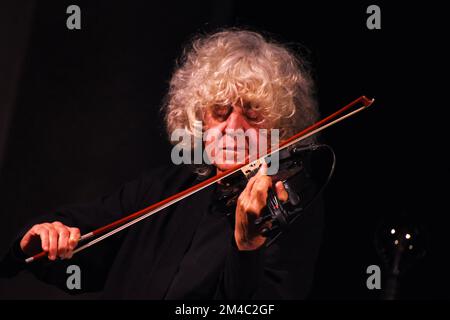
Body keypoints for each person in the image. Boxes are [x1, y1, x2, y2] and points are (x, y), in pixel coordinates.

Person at [0, 29, 324, 299]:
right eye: (220, 111)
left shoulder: (287, 206)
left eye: (252, 113)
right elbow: (86, 255)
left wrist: (247, 247)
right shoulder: (162, 188)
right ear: (200, 119)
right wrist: (44, 235)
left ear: (280, 128)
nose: (233, 127)